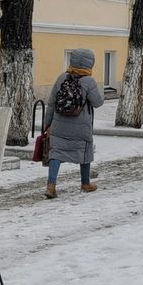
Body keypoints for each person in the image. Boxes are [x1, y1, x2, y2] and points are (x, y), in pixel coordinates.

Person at [42, 49, 104, 198]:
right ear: (90, 63)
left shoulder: (62, 78)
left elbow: (51, 103)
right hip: (81, 126)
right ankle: (85, 183)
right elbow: (98, 103)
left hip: (59, 125)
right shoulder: (89, 81)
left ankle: (51, 186)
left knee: (56, 153)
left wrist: (47, 124)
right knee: (85, 152)